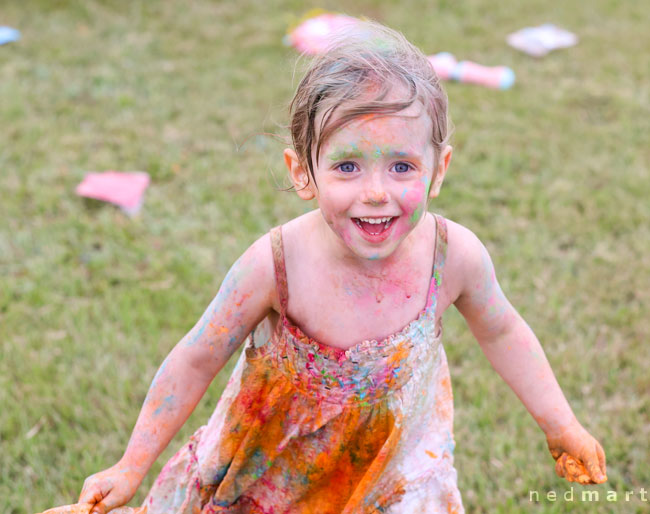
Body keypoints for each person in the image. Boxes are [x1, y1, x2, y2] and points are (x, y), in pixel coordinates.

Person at [77, 21, 606, 514]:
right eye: (347, 166)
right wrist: (131, 465)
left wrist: (561, 424)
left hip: (391, 475)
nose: (375, 192)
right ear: (303, 172)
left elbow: (504, 329)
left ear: (438, 170)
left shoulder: (453, 256)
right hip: (274, 473)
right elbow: (197, 356)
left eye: (402, 166)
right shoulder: (275, 265)